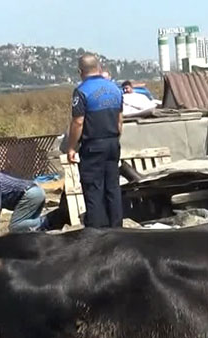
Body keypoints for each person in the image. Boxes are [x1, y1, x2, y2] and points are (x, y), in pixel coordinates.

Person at [67, 54, 124, 228]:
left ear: (80, 71)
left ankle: (98, 234)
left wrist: (71, 147)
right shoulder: (115, 88)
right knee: (113, 188)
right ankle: (117, 230)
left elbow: (78, 121)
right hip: (113, 143)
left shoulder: (82, 91)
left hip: (93, 146)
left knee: (94, 190)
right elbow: (120, 120)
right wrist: (115, 138)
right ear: (99, 67)